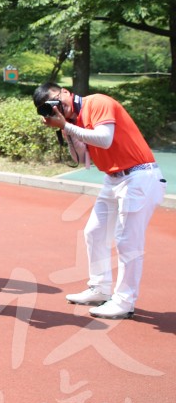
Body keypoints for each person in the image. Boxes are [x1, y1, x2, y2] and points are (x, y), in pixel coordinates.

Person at [34, 82, 166, 320]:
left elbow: (105, 139)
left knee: (127, 243)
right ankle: (100, 287)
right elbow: (80, 157)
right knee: (94, 232)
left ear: (65, 92)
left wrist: (66, 125)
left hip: (137, 176)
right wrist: (66, 130)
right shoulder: (74, 122)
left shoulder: (97, 102)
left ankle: (124, 301)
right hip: (113, 179)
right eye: (49, 108)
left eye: (56, 100)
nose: (57, 107)